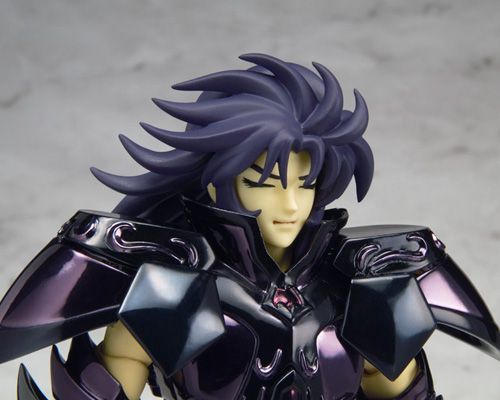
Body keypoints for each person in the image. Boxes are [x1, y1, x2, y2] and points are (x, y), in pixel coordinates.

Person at [0, 54, 498, 400]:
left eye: (305, 183)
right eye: (264, 183)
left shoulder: (358, 286)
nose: (290, 204)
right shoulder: (173, 288)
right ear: (217, 184)